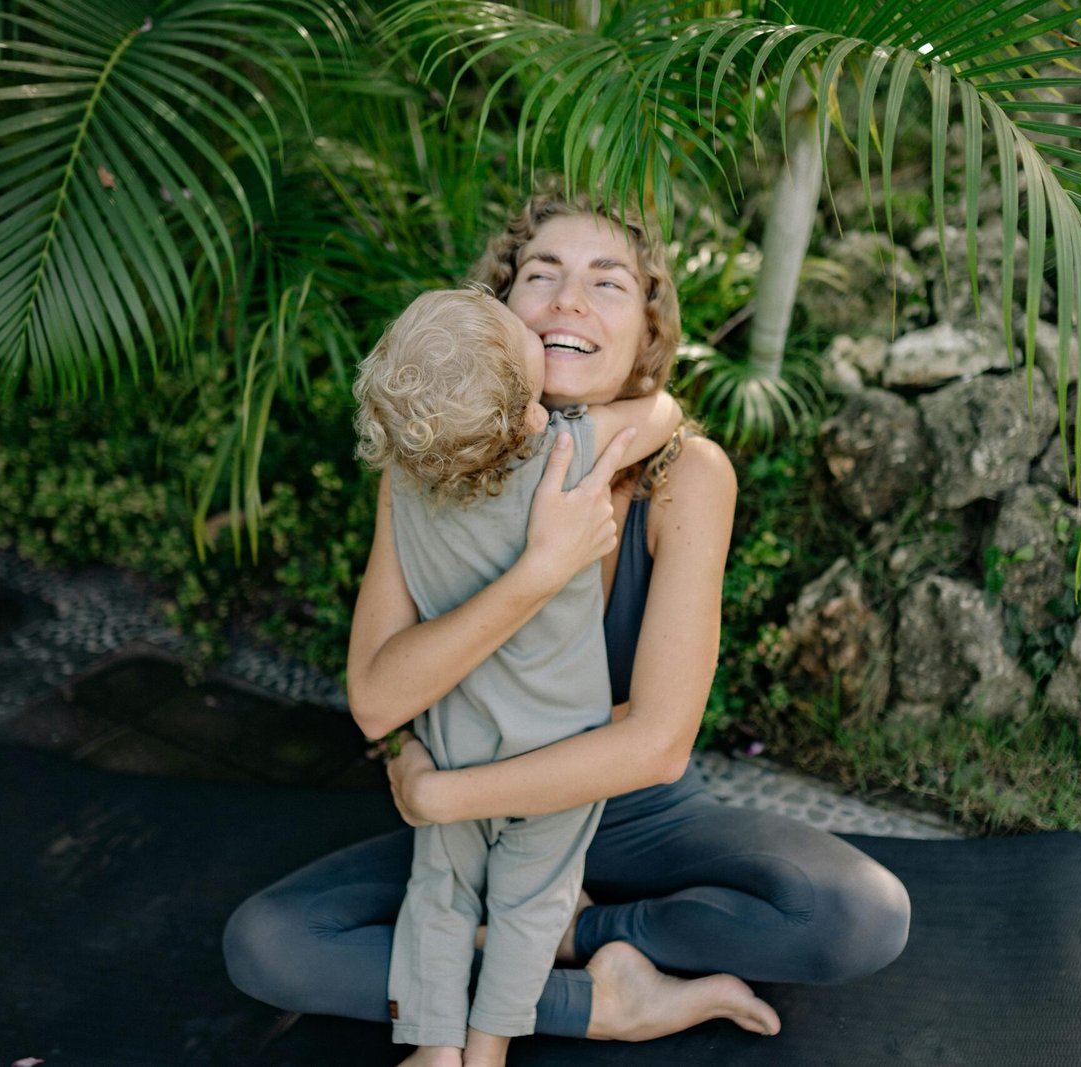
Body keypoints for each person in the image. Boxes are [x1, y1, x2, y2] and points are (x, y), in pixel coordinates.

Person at [223, 188, 911, 1060]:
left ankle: (577, 938)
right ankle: (595, 1003)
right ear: (500, 314)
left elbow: (657, 745)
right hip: (473, 826)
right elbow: (374, 697)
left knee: (856, 914)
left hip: (632, 813)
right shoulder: (423, 464)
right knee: (270, 943)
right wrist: (539, 570)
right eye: (540, 275)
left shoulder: (687, 475)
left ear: (647, 333)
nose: (568, 301)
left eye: (607, 283)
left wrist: (440, 793)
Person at [351, 287, 681, 1066]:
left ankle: (435, 1051)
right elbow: (661, 413)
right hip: (557, 756)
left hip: (454, 739)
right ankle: (490, 1046)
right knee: (532, 908)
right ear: (528, 414)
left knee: (438, 894)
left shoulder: (410, 485)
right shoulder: (560, 458)